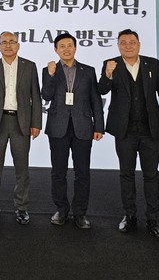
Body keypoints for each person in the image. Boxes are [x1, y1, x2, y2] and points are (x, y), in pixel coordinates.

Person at [97, 29, 159, 238]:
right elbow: (101, 90)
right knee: (126, 174)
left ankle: (153, 219)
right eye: (123, 42)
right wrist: (107, 74)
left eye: (132, 42)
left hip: (150, 129)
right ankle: (129, 215)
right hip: (124, 131)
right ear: (118, 45)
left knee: (151, 175)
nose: (128, 46)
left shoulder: (152, 64)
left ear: (139, 44)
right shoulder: (111, 64)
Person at [0, 31, 41, 225]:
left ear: (18, 45)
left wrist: (36, 123)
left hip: (21, 122)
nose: (8, 45)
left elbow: (36, 97)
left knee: (22, 168)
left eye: (12, 42)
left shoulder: (29, 66)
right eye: (4, 42)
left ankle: (21, 208)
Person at [41, 32, 104, 229]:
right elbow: (46, 95)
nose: (66, 49)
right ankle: (61, 209)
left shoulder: (88, 71)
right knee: (58, 172)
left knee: (82, 173)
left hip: (83, 127)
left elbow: (95, 100)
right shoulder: (49, 70)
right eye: (62, 46)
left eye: (69, 45)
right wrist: (51, 75)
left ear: (75, 48)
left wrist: (99, 126)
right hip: (57, 127)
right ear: (56, 50)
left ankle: (80, 213)